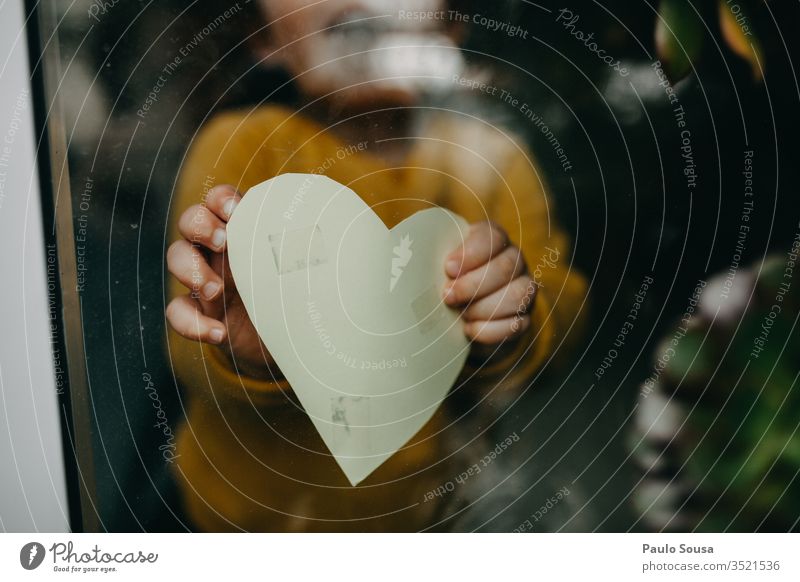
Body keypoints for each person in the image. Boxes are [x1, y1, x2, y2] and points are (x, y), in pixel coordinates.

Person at [165, 0, 586, 531]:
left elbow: (562, 299)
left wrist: (515, 316)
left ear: (448, 27)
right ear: (264, 40)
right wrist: (243, 350)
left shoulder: (493, 158)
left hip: (433, 513)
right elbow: (188, 338)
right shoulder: (242, 148)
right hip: (251, 521)